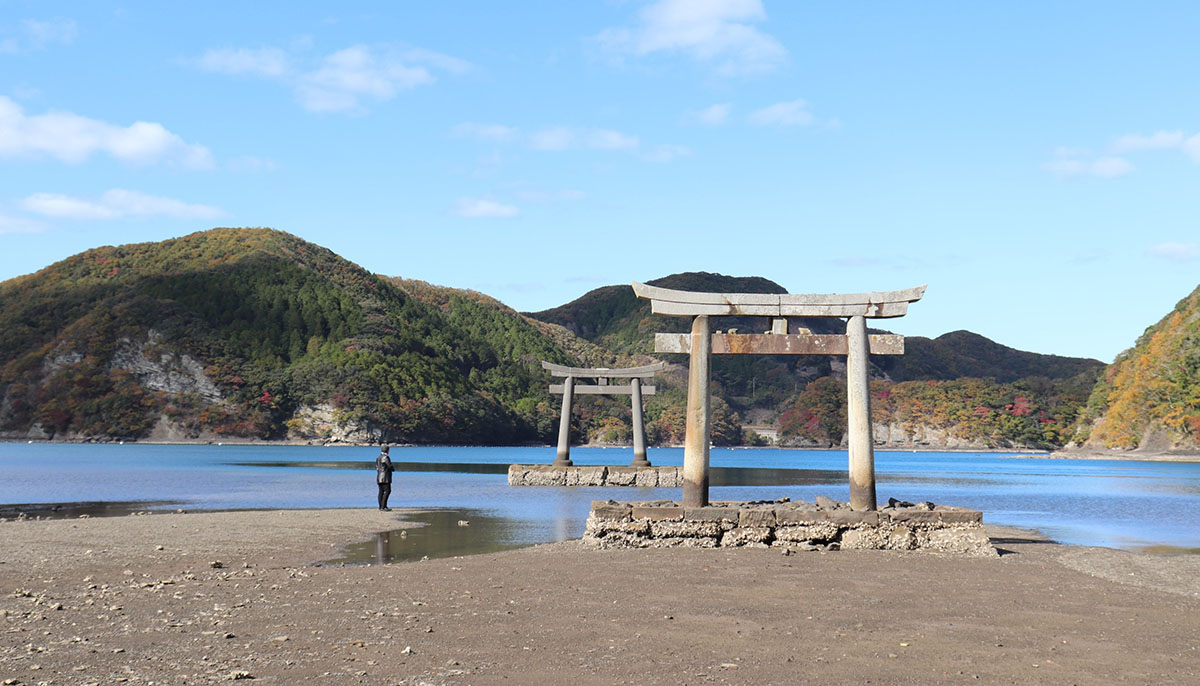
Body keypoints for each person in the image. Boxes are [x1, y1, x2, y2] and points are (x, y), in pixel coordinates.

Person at [375, 445, 394, 511]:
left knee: (381, 491)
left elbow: (377, 467)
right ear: (387, 450)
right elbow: (389, 466)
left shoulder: (378, 457)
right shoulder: (385, 457)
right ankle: (383, 506)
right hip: (385, 477)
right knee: (388, 491)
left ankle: (381, 506)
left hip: (379, 476)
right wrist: (393, 469)